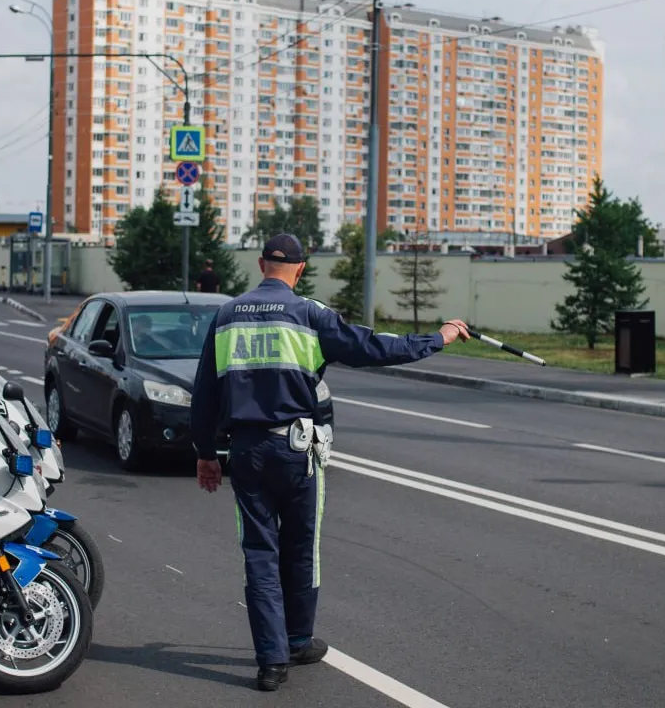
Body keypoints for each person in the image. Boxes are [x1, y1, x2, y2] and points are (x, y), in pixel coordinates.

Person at [189, 233, 470, 692]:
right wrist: (437, 338)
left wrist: (205, 453)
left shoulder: (225, 317)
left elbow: (205, 394)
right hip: (297, 453)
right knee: (301, 549)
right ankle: (298, 640)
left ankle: (270, 663)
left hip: (246, 452)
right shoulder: (309, 315)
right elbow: (376, 347)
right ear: (300, 270)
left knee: (260, 555)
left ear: (262, 265)